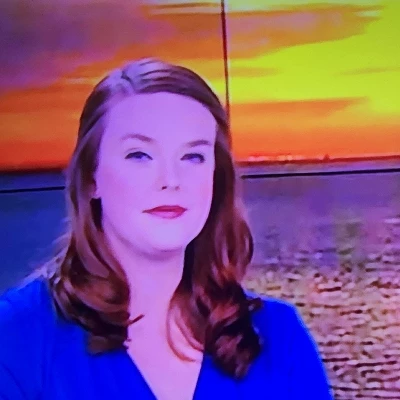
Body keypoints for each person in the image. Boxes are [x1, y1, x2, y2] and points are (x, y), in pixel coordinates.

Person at [0, 58, 334, 400]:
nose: (171, 180)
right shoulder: (16, 338)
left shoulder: (278, 338)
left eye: (193, 157)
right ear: (90, 178)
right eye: (139, 155)